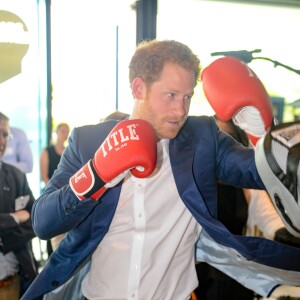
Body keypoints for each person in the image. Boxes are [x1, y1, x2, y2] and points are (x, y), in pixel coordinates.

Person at [21, 40, 300, 300]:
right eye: (171, 95)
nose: (181, 110)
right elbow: (43, 223)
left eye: (188, 97)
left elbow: (256, 173)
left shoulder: (201, 138)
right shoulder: (88, 141)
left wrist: (262, 137)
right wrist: (96, 173)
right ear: (139, 88)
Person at [0, 112, 37, 299]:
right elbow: (23, 218)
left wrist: (3, 239)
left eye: (5, 134)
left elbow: (35, 220)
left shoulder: (16, 176)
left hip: (12, 284)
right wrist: (14, 218)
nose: (1, 140)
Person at [39, 122, 70, 256]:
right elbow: (44, 175)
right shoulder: (48, 151)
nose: (65, 134)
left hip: (66, 194)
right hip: (51, 193)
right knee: (51, 225)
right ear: (56, 133)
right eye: (62, 131)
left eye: (67, 131)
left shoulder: (69, 151)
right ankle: (50, 255)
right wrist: (54, 190)